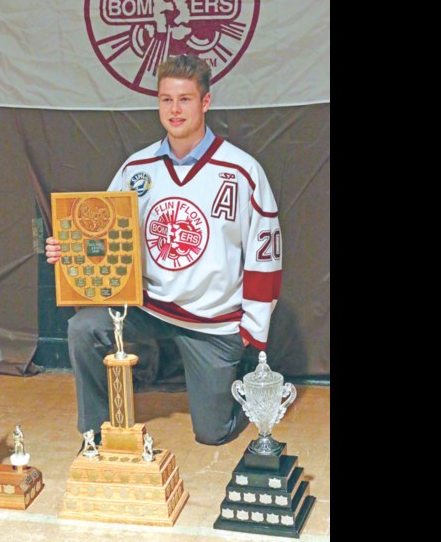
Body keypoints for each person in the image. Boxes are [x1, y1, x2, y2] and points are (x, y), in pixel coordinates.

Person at [46, 55, 282, 446]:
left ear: (205, 103)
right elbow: (101, 232)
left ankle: (240, 393)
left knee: (212, 434)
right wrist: (68, 249)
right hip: (147, 306)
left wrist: (252, 332)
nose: (175, 110)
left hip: (212, 320)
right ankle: (95, 434)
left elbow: (265, 254)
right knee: (84, 329)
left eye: (185, 99)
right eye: (166, 100)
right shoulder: (137, 168)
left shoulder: (242, 171)